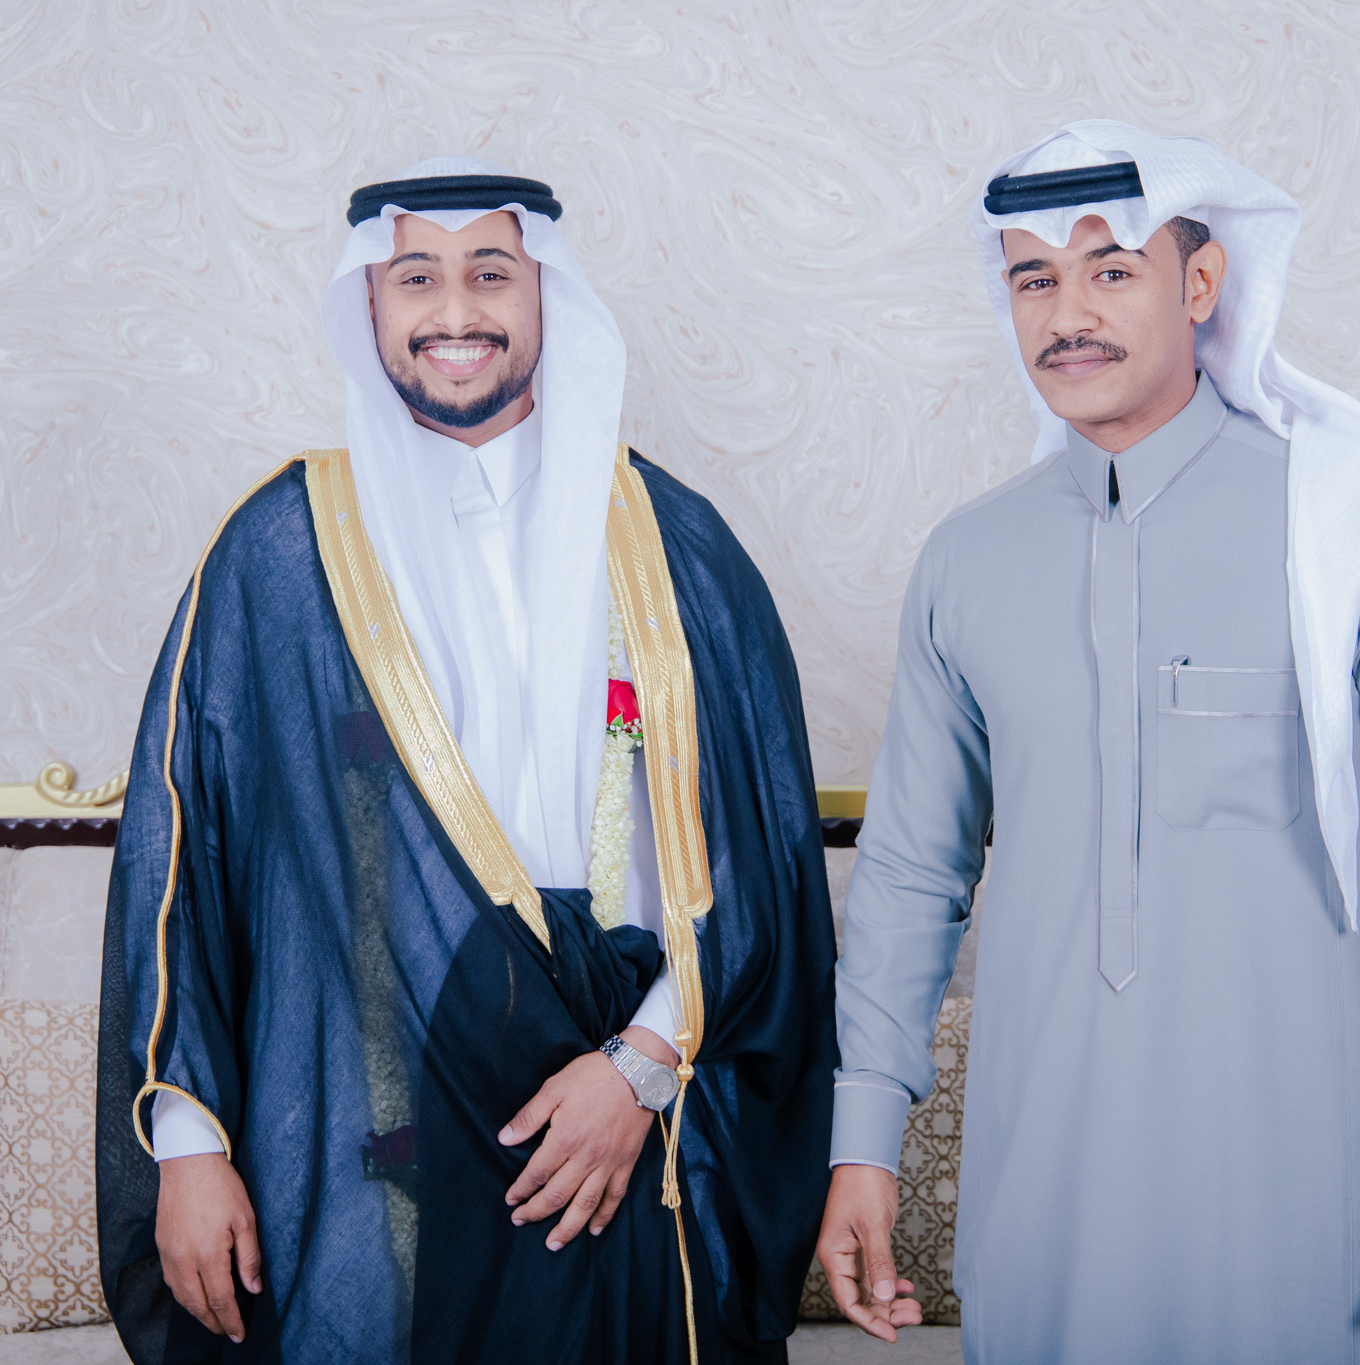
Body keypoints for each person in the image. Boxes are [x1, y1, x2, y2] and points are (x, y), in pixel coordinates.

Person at [815, 122, 1360, 1364]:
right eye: (1033, 279)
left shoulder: (1357, 524)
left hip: (1309, 1198)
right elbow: (907, 873)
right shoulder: (965, 562)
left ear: (1200, 284)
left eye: (1109, 270)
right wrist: (861, 1142)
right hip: (1039, 1198)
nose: (1066, 315)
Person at [96, 156, 836, 1364]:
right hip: (373, 1088)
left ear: (545, 296)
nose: (453, 311)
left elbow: (762, 859)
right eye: (415, 279)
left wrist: (641, 1069)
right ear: (368, 304)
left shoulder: (677, 545)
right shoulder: (279, 551)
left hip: (624, 1091)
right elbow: (185, 861)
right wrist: (186, 1149)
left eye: (490, 274)